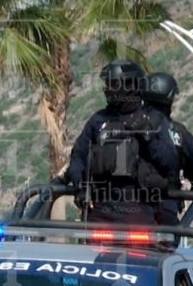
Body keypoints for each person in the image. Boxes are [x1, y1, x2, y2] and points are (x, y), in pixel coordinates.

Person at [65, 59, 179, 224]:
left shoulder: (153, 120)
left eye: (113, 84)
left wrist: (147, 137)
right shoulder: (98, 120)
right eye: (107, 84)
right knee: (92, 248)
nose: (108, 88)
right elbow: (78, 158)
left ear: (130, 85)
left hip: (139, 209)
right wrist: (81, 186)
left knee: (141, 248)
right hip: (100, 210)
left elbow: (170, 161)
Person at [140, 72, 193, 226]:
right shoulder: (179, 134)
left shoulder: (122, 126)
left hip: (115, 213)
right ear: (170, 99)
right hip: (162, 214)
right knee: (167, 245)